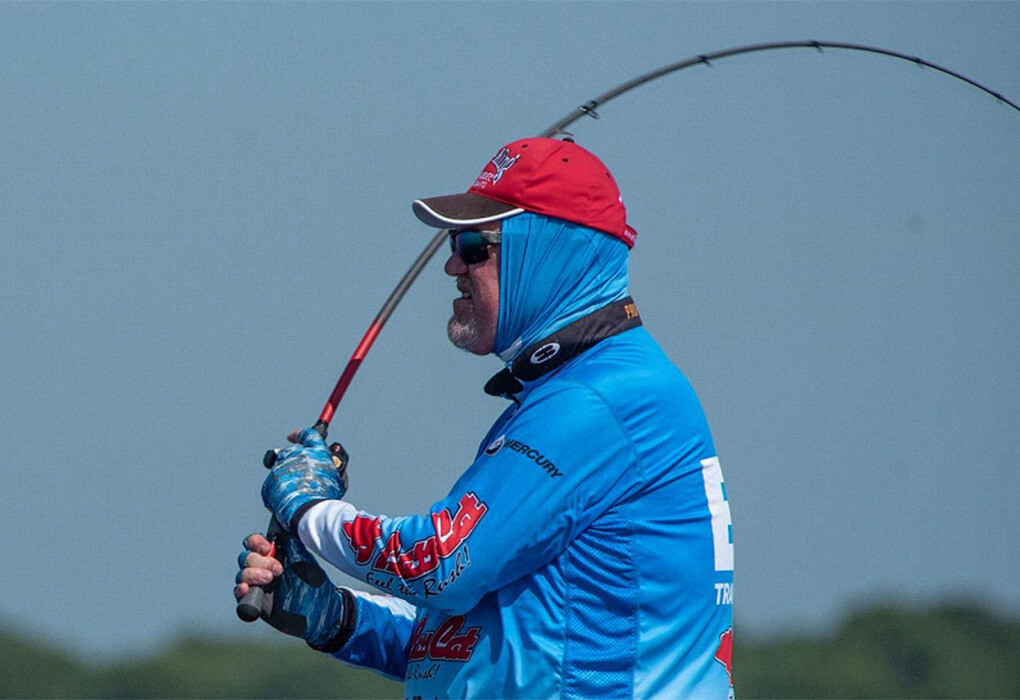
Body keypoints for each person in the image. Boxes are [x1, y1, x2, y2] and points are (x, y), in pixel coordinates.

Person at [235, 137, 735, 699]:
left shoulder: (600, 400)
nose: (452, 264)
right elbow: (482, 641)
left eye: (474, 244)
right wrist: (338, 619)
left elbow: (442, 563)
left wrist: (309, 509)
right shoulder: (572, 394)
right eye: (453, 242)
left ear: (551, 253)